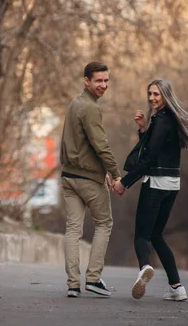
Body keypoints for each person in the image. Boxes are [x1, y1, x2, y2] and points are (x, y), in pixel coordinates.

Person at [112, 79, 188, 301]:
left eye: (157, 95)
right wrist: (144, 129)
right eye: (150, 94)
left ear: (166, 96)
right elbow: (157, 149)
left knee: (142, 235)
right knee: (157, 235)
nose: (152, 98)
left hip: (155, 183)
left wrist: (125, 182)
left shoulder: (162, 120)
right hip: (172, 184)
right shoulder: (168, 120)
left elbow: (148, 159)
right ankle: (177, 287)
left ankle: (144, 268)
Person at [60, 61, 122, 298]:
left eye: (106, 80)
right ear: (86, 81)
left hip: (68, 176)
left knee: (73, 229)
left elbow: (79, 144)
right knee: (104, 224)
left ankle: (73, 284)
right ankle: (93, 279)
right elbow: (101, 146)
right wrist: (115, 174)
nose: (103, 85)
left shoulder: (75, 103)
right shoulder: (91, 108)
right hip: (87, 178)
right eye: (98, 81)